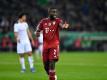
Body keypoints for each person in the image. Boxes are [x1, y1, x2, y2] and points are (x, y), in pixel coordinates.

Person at [35, 7, 69, 80]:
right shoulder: (43, 21)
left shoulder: (57, 20)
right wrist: (37, 32)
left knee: (52, 62)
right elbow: (38, 28)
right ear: (49, 12)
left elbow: (61, 25)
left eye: (55, 12)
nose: (54, 14)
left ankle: (52, 78)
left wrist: (63, 26)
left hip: (54, 45)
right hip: (45, 46)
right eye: (53, 12)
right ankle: (53, 76)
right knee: (45, 66)